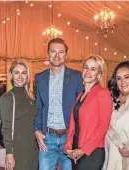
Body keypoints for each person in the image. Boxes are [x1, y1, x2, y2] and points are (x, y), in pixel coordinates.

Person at [34, 38, 84, 170]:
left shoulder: (77, 77)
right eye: (53, 51)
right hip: (47, 138)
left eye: (61, 52)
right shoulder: (39, 78)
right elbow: (38, 107)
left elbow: (82, 109)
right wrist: (37, 131)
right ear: (48, 54)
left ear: (66, 55)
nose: (57, 55)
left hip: (69, 138)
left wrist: (79, 138)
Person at [64, 55, 113, 170]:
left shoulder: (103, 93)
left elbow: (103, 127)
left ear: (99, 74)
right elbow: (74, 124)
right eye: (86, 67)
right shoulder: (80, 95)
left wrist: (83, 150)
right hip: (76, 150)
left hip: (92, 152)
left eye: (93, 69)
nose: (88, 72)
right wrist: (68, 146)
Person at [0, 60, 38, 170]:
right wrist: (9, 153)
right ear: (11, 75)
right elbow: (6, 128)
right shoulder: (7, 98)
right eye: (16, 72)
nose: (20, 76)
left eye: (23, 73)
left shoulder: (32, 97)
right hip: (17, 150)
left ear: (28, 75)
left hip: (34, 149)